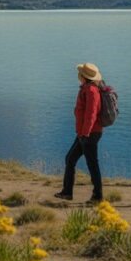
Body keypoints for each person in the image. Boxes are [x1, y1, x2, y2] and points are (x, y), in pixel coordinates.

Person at [54, 63, 104, 203]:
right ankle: (67, 192)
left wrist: (85, 133)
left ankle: (98, 196)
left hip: (89, 134)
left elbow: (91, 114)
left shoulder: (91, 91)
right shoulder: (86, 88)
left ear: (83, 76)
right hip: (84, 133)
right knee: (70, 159)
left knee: (92, 164)